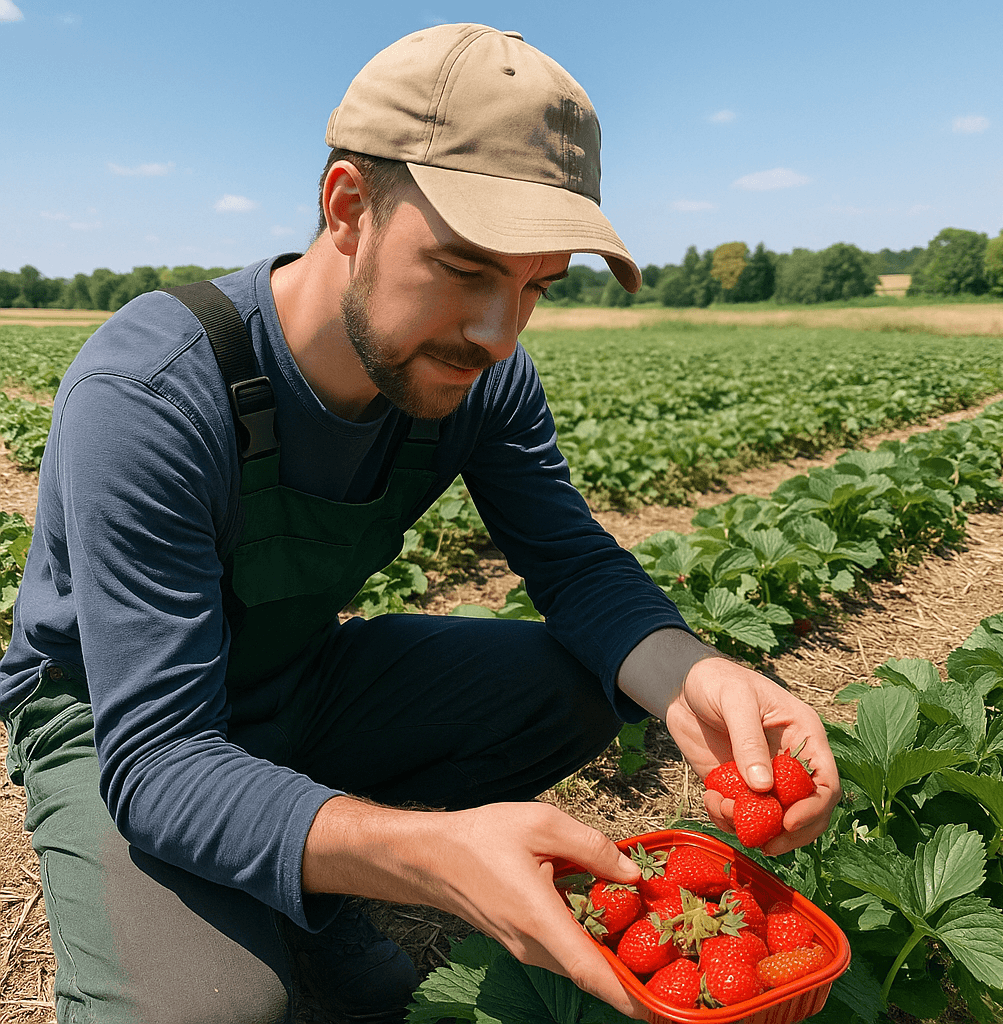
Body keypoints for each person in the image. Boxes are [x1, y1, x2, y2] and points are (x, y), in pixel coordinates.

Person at [0, 23, 840, 1024]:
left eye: (533, 287)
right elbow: (160, 759)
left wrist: (696, 677)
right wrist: (431, 856)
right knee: (214, 1011)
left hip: (296, 680)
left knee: (588, 683)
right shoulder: (153, 392)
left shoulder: (479, 379)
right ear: (347, 207)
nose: (498, 332)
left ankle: (308, 873)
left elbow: (572, 564)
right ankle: (302, 879)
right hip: (114, 721)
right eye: (465, 268)